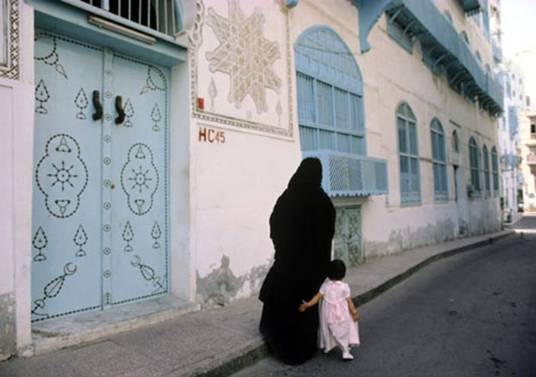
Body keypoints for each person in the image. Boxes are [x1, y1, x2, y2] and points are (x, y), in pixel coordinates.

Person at [259, 158, 336, 365]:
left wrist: (282, 249)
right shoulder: (324, 202)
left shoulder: (287, 197)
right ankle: (303, 349)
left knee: (281, 305)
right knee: (305, 309)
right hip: (311, 270)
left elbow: (274, 223)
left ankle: (279, 344)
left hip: (287, 264)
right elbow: (328, 235)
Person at [299, 259, 360, 360]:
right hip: (342, 314)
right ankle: (345, 350)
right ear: (343, 274)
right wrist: (354, 312)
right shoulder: (345, 287)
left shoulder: (325, 286)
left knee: (328, 329)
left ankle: (328, 345)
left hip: (327, 314)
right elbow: (349, 302)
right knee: (343, 330)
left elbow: (317, 297)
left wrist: (308, 304)